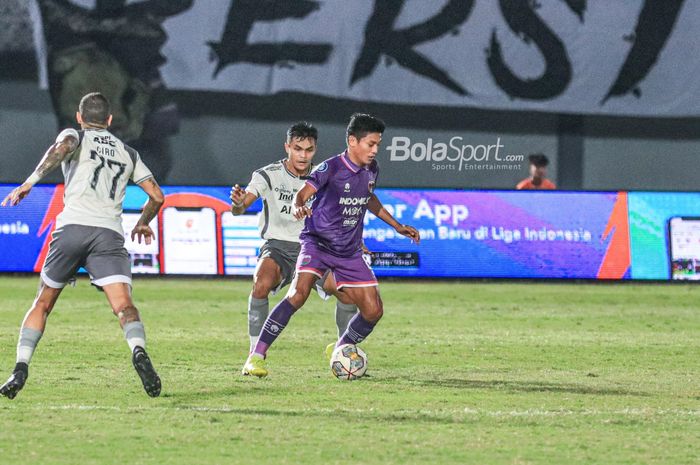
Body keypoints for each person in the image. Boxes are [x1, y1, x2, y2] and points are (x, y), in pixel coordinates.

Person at [0, 92, 164, 399]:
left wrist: (29, 182)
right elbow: (157, 195)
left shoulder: (74, 135)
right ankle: (138, 350)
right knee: (124, 306)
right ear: (110, 120)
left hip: (72, 229)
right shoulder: (128, 152)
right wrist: (143, 222)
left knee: (43, 303)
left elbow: (62, 149)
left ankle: (20, 367)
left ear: (79, 117)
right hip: (108, 235)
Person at [242, 113, 421, 377]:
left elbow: (368, 197)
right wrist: (299, 206)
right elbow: (302, 194)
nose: (375, 150)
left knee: (373, 311)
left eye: (377, 145)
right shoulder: (330, 168)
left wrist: (396, 225)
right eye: (370, 144)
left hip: (348, 252)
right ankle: (256, 357)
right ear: (352, 141)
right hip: (318, 245)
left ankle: (341, 348)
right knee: (297, 294)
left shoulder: (372, 169)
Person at [230, 122, 359, 373]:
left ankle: (343, 350)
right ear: (287, 147)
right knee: (261, 283)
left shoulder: (325, 178)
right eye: (297, 149)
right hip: (279, 247)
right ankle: (254, 356)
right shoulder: (267, 175)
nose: (303, 155)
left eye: (309, 150)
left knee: (349, 294)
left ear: (315, 150)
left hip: (316, 248)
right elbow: (241, 206)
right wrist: (237, 204)